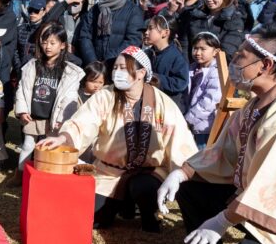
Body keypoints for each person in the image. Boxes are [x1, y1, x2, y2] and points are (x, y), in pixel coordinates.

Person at [159, 24, 276, 244]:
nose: (233, 63)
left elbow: (272, 186)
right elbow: (223, 152)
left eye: (240, 58)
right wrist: (182, 172)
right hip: (258, 207)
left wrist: (222, 220)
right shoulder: (255, 105)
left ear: (266, 65)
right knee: (192, 188)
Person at [39, 46, 197, 232]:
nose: (117, 72)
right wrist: (64, 137)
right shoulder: (106, 96)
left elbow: (179, 139)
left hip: (149, 172)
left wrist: (185, 172)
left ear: (141, 73)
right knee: (95, 220)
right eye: (115, 68)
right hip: (109, 172)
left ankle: (149, 214)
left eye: (123, 68)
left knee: (144, 187)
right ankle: (118, 206)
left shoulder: (162, 102)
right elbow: (84, 121)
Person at [15, 22, 84, 172]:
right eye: (45, 42)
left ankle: (45, 172)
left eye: (53, 43)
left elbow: (69, 97)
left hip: (53, 117)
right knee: (27, 146)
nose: (48, 46)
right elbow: (22, 89)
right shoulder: (32, 66)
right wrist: (22, 110)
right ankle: (20, 174)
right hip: (33, 115)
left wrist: (62, 119)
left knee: (49, 148)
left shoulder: (69, 71)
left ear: (63, 45)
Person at [75, 0, 145, 66]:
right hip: (94, 67)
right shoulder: (95, 9)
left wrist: (108, 61)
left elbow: (133, 41)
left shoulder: (133, 11)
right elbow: (85, 36)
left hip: (118, 66)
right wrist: (93, 62)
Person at [177, 0, 247, 61]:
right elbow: (184, 45)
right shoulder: (194, 16)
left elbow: (228, 51)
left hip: (217, 70)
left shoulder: (234, 20)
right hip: (191, 68)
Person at [184, 32, 222, 148]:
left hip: (205, 127)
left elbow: (209, 101)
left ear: (215, 52)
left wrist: (189, 119)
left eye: (203, 49)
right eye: (195, 48)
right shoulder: (191, 68)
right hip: (189, 123)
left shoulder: (217, 72)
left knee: (201, 158)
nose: (198, 53)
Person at [143, 15, 189, 108]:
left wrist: (155, 78)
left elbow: (180, 83)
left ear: (165, 33)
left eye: (151, 28)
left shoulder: (177, 57)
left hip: (168, 106)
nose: (146, 32)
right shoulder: (148, 53)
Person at [16, 0, 49, 68]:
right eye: (30, 10)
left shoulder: (46, 30)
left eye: (36, 10)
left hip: (39, 70)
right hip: (21, 70)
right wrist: (18, 67)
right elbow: (15, 51)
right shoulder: (20, 29)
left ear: (43, 12)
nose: (32, 13)